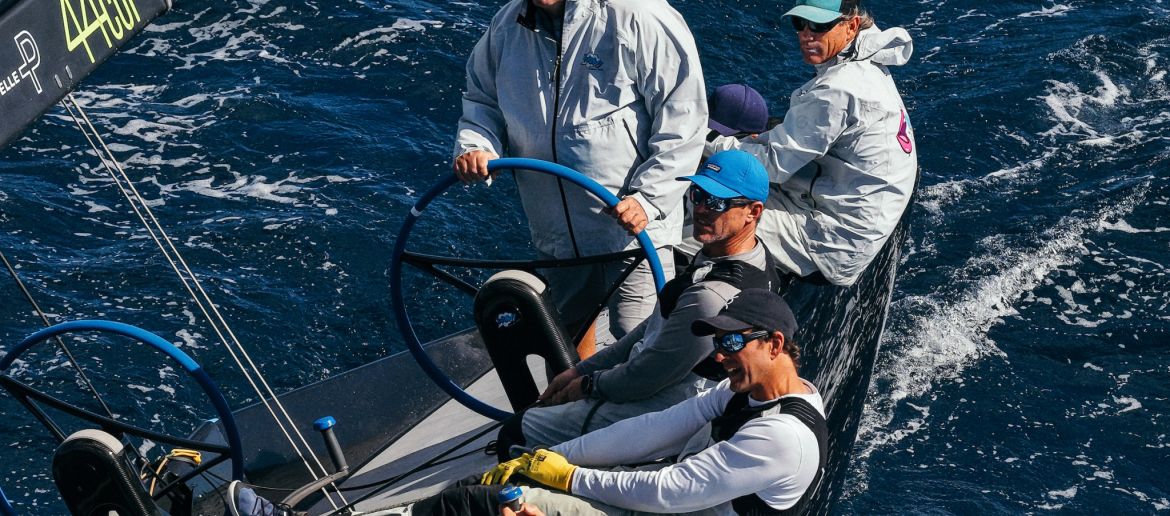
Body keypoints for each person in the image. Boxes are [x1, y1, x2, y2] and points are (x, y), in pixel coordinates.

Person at [452, 0, 708, 352]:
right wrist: (476, 144)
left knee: (641, 340)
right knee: (564, 345)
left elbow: (684, 119)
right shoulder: (506, 26)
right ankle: (578, 407)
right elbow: (482, 100)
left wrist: (648, 199)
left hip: (631, 233)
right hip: (557, 236)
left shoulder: (638, 14)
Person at [495, 149, 782, 456]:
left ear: (753, 211)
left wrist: (585, 386)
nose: (701, 209)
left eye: (718, 203)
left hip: (661, 412)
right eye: (697, 194)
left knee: (516, 434)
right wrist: (577, 372)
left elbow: (645, 378)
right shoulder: (751, 257)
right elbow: (653, 327)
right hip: (679, 395)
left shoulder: (711, 297)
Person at [706, 0, 919, 287]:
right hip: (862, 211)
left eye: (819, 26)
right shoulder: (865, 52)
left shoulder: (838, 90)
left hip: (832, 241)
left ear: (851, 25)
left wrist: (708, 141)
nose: (807, 35)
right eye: (800, 24)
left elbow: (770, 167)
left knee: (694, 227)